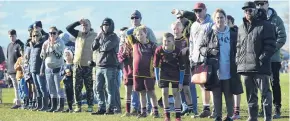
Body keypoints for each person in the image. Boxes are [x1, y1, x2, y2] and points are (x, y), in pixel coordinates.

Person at [199, 8, 243, 121]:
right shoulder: (209, 33)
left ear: (225, 18)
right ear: (214, 19)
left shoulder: (233, 33)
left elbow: (239, 47)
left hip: (230, 68)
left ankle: (229, 116)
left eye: (222, 17)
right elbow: (201, 48)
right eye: (217, 18)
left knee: (229, 94)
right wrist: (210, 51)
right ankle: (217, 115)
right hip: (215, 69)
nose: (220, 20)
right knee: (217, 94)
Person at [237, 2, 276, 121]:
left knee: (265, 94)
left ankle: (267, 117)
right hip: (245, 68)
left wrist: (261, 59)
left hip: (260, 67)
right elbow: (238, 46)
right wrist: (238, 60)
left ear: (255, 10)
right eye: (246, 10)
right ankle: (252, 117)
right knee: (250, 95)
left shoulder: (266, 25)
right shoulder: (241, 27)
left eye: (250, 10)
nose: (248, 12)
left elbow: (270, 45)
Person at [254, 0, 287, 118]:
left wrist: (271, 49)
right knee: (261, 84)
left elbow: (282, 37)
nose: (260, 6)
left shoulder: (276, 20)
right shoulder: (255, 19)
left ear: (267, 4)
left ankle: (276, 108)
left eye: (262, 3)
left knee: (275, 83)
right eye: (257, 4)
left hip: (273, 58)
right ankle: (263, 108)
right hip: (260, 59)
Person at [127, 25, 160, 118]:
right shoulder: (134, 43)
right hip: (137, 73)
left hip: (148, 73)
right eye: (137, 35)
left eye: (141, 34)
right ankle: (143, 112)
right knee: (141, 93)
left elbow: (157, 59)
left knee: (151, 92)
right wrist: (137, 28)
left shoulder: (152, 45)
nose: (139, 36)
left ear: (146, 34)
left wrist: (155, 70)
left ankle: (156, 111)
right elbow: (128, 33)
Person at [66, 19, 97, 112]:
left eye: (86, 25)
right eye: (83, 25)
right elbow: (68, 28)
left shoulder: (95, 36)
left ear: (90, 26)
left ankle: (90, 105)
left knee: (89, 87)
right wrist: (78, 22)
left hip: (89, 66)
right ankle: (78, 106)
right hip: (77, 65)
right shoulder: (78, 34)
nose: (84, 26)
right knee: (77, 87)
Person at [189, 2, 214, 118]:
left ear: (205, 10)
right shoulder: (193, 25)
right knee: (201, 83)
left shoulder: (211, 24)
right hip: (196, 58)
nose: (198, 13)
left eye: (200, 10)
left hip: (207, 58)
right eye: (196, 11)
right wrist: (191, 56)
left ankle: (215, 109)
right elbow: (191, 42)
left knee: (210, 84)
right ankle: (206, 108)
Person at [90, 18, 119, 115]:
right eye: (103, 25)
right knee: (98, 88)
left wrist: (99, 45)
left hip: (110, 66)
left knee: (110, 89)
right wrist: (97, 38)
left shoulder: (114, 37)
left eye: (107, 25)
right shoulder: (100, 36)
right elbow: (93, 47)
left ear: (111, 26)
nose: (105, 27)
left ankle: (110, 109)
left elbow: (105, 48)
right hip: (99, 66)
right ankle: (101, 108)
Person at [153, 33, 184, 121]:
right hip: (164, 74)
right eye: (164, 41)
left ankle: (178, 116)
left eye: (168, 41)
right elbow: (156, 66)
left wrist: (181, 82)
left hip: (175, 74)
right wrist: (157, 79)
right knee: (164, 93)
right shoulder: (159, 50)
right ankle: (167, 115)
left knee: (175, 93)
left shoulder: (178, 51)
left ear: (173, 41)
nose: (166, 43)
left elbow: (182, 68)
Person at [128, 10, 154, 114]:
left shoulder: (148, 30)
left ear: (140, 19)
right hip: (134, 63)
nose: (134, 19)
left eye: (137, 17)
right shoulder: (131, 32)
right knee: (137, 88)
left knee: (148, 90)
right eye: (132, 18)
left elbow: (154, 44)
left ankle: (150, 108)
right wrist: (136, 29)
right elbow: (128, 33)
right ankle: (135, 108)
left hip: (147, 64)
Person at [171, 21, 197, 115]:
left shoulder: (186, 39)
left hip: (185, 68)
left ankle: (192, 108)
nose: (176, 30)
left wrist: (187, 50)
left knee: (186, 89)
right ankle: (184, 107)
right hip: (174, 69)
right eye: (174, 28)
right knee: (177, 89)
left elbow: (193, 50)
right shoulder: (171, 40)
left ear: (182, 29)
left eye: (177, 28)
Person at [40, 27, 65, 112]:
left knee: (59, 89)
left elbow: (59, 55)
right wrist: (44, 50)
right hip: (48, 69)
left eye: (54, 33)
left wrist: (52, 47)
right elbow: (42, 57)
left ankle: (61, 107)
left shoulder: (60, 42)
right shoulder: (46, 43)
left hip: (58, 68)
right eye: (50, 33)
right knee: (51, 89)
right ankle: (53, 106)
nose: (52, 35)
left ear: (57, 33)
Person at [29, 29, 48, 111]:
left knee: (42, 88)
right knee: (37, 88)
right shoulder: (32, 46)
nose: (35, 37)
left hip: (39, 70)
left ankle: (45, 105)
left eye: (37, 35)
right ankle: (39, 105)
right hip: (33, 69)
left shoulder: (42, 45)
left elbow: (43, 59)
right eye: (33, 36)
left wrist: (42, 70)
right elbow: (31, 59)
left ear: (40, 36)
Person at [227, 14, 242, 120]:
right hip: (225, 63)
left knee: (236, 87)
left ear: (232, 22)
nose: (225, 24)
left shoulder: (237, 32)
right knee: (228, 88)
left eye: (228, 22)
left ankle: (237, 111)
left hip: (235, 63)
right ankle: (231, 110)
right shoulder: (224, 33)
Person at [118, 27, 135, 117]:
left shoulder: (136, 46)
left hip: (137, 73)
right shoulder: (122, 47)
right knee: (128, 93)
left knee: (139, 92)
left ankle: (141, 110)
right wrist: (124, 52)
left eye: (129, 37)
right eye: (126, 37)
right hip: (127, 73)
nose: (128, 39)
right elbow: (120, 59)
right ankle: (128, 111)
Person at [6, 29, 24, 109]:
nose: (11, 38)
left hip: (19, 70)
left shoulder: (19, 44)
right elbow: (8, 57)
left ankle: (24, 102)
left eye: (13, 36)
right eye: (10, 36)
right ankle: (18, 102)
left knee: (22, 87)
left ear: (16, 35)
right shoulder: (9, 45)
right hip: (11, 70)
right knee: (16, 87)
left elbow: (22, 57)